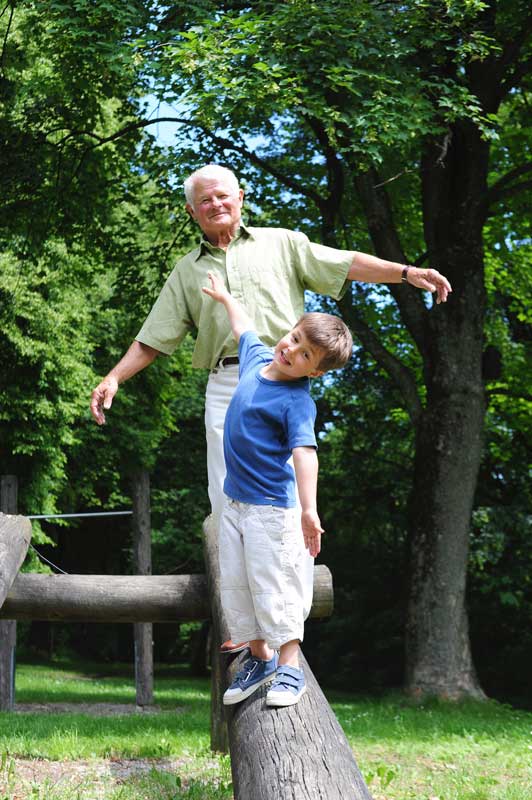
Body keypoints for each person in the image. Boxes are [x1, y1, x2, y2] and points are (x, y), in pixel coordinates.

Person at [89, 164, 452, 650]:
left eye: (223, 196)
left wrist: (407, 273)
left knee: (288, 505)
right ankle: (246, 629)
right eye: (205, 201)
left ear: (240, 197)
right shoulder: (187, 271)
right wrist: (114, 377)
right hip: (229, 386)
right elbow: (155, 338)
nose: (216, 205)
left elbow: (346, 264)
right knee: (228, 504)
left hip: (285, 384)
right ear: (192, 211)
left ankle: (288, 627)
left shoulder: (283, 243)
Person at [201, 270, 353, 706]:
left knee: (275, 583)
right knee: (237, 582)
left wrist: (310, 510)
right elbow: (244, 327)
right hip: (235, 504)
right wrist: (226, 297)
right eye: (294, 339)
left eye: (306, 355)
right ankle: (259, 657)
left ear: (317, 371)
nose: (291, 351)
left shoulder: (296, 400)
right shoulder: (256, 359)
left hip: (271, 509)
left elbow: (305, 454)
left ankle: (290, 668)